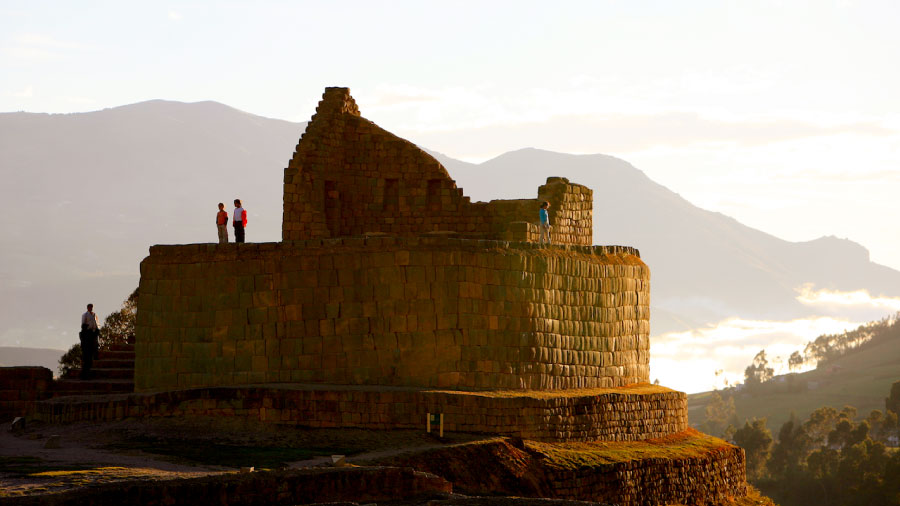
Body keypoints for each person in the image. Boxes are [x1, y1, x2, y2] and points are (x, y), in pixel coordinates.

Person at [79, 303, 100, 379]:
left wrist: (97, 330)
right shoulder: (85, 315)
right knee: (87, 353)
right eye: (89, 307)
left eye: (91, 307)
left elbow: (96, 323)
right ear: (87, 308)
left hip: (93, 333)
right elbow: (83, 324)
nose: (90, 308)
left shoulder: (94, 314)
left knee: (94, 349)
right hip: (88, 333)